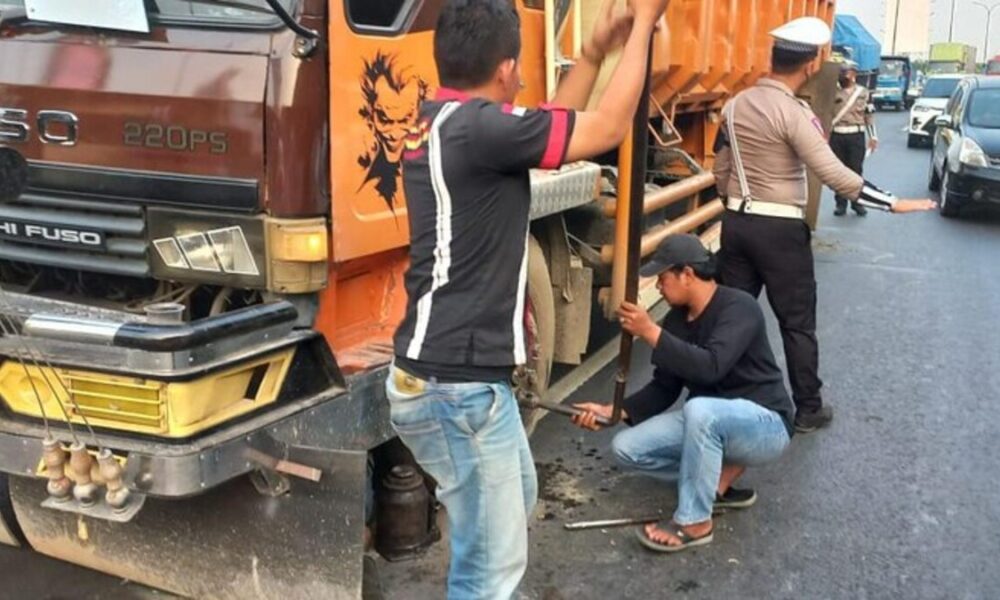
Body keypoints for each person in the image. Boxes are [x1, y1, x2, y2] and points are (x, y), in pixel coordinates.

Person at [385, 1, 669, 597]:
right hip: (456, 386)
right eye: (518, 72)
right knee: (488, 571)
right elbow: (607, 129)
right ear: (508, 67)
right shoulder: (481, 130)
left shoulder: (447, 120)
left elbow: (551, 123)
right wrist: (643, 25)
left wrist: (592, 54)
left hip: (442, 378)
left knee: (516, 496)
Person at [712, 17, 935, 434]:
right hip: (780, 232)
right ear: (811, 65)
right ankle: (809, 408)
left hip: (737, 224)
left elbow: (720, 165)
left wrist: (735, 204)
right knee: (796, 324)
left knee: (731, 317)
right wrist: (892, 202)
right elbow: (834, 174)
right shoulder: (793, 113)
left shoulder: (735, 105)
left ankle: (719, 400)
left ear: (772, 58)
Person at [572, 234, 795, 553]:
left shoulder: (739, 307)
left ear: (687, 274)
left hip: (765, 425)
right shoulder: (675, 320)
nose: (658, 287)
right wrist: (614, 411)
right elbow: (664, 387)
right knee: (626, 448)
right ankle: (715, 481)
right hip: (708, 422)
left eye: (662, 278)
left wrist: (649, 331)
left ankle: (695, 521)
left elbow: (711, 368)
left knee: (701, 410)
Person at [829, 60, 878, 216]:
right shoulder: (832, 93)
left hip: (856, 136)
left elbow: (869, 115)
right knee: (838, 171)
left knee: (856, 171)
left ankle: (857, 203)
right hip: (837, 134)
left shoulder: (864, 93)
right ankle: (840, 203)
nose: (842, 76)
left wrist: (873, 136)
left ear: (853, 74)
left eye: (845, 72)